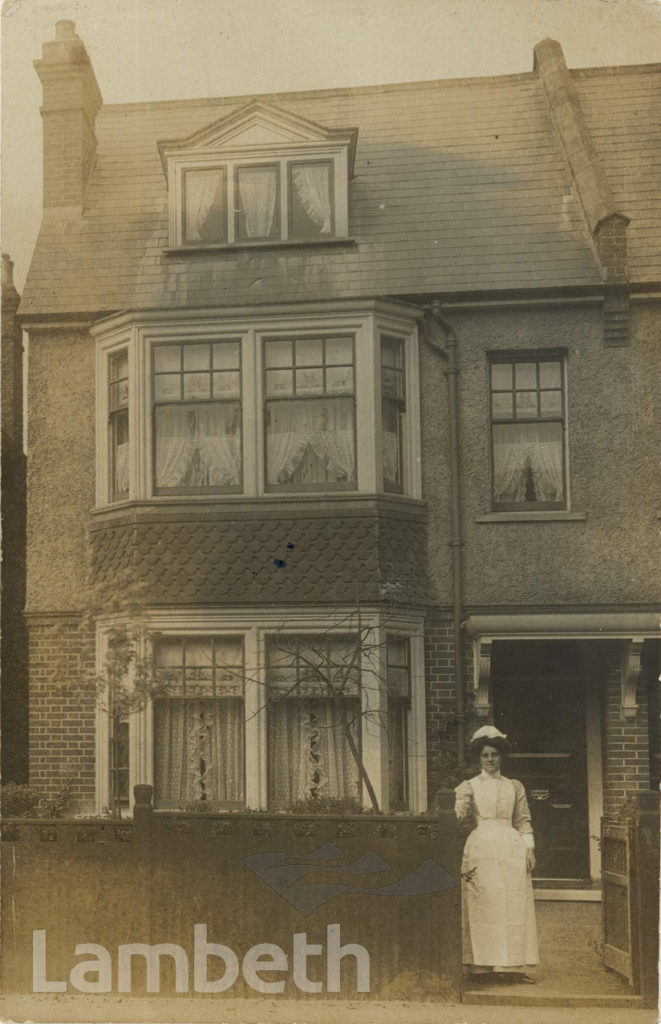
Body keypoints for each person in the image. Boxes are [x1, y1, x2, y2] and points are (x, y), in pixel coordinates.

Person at [454, 725, 539, 983]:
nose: (490, 760)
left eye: (494, 755)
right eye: (485, 756)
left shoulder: (514, 786)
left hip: (511, 847)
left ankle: (513, 965)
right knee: (483, 904)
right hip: (481, 848)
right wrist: (461, 803)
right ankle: (478, 966)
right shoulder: (469, 786)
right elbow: (459, 818)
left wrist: (529, 849)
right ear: (478, 758)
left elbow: (523, 820)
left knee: (512, 904)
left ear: (501, 756)